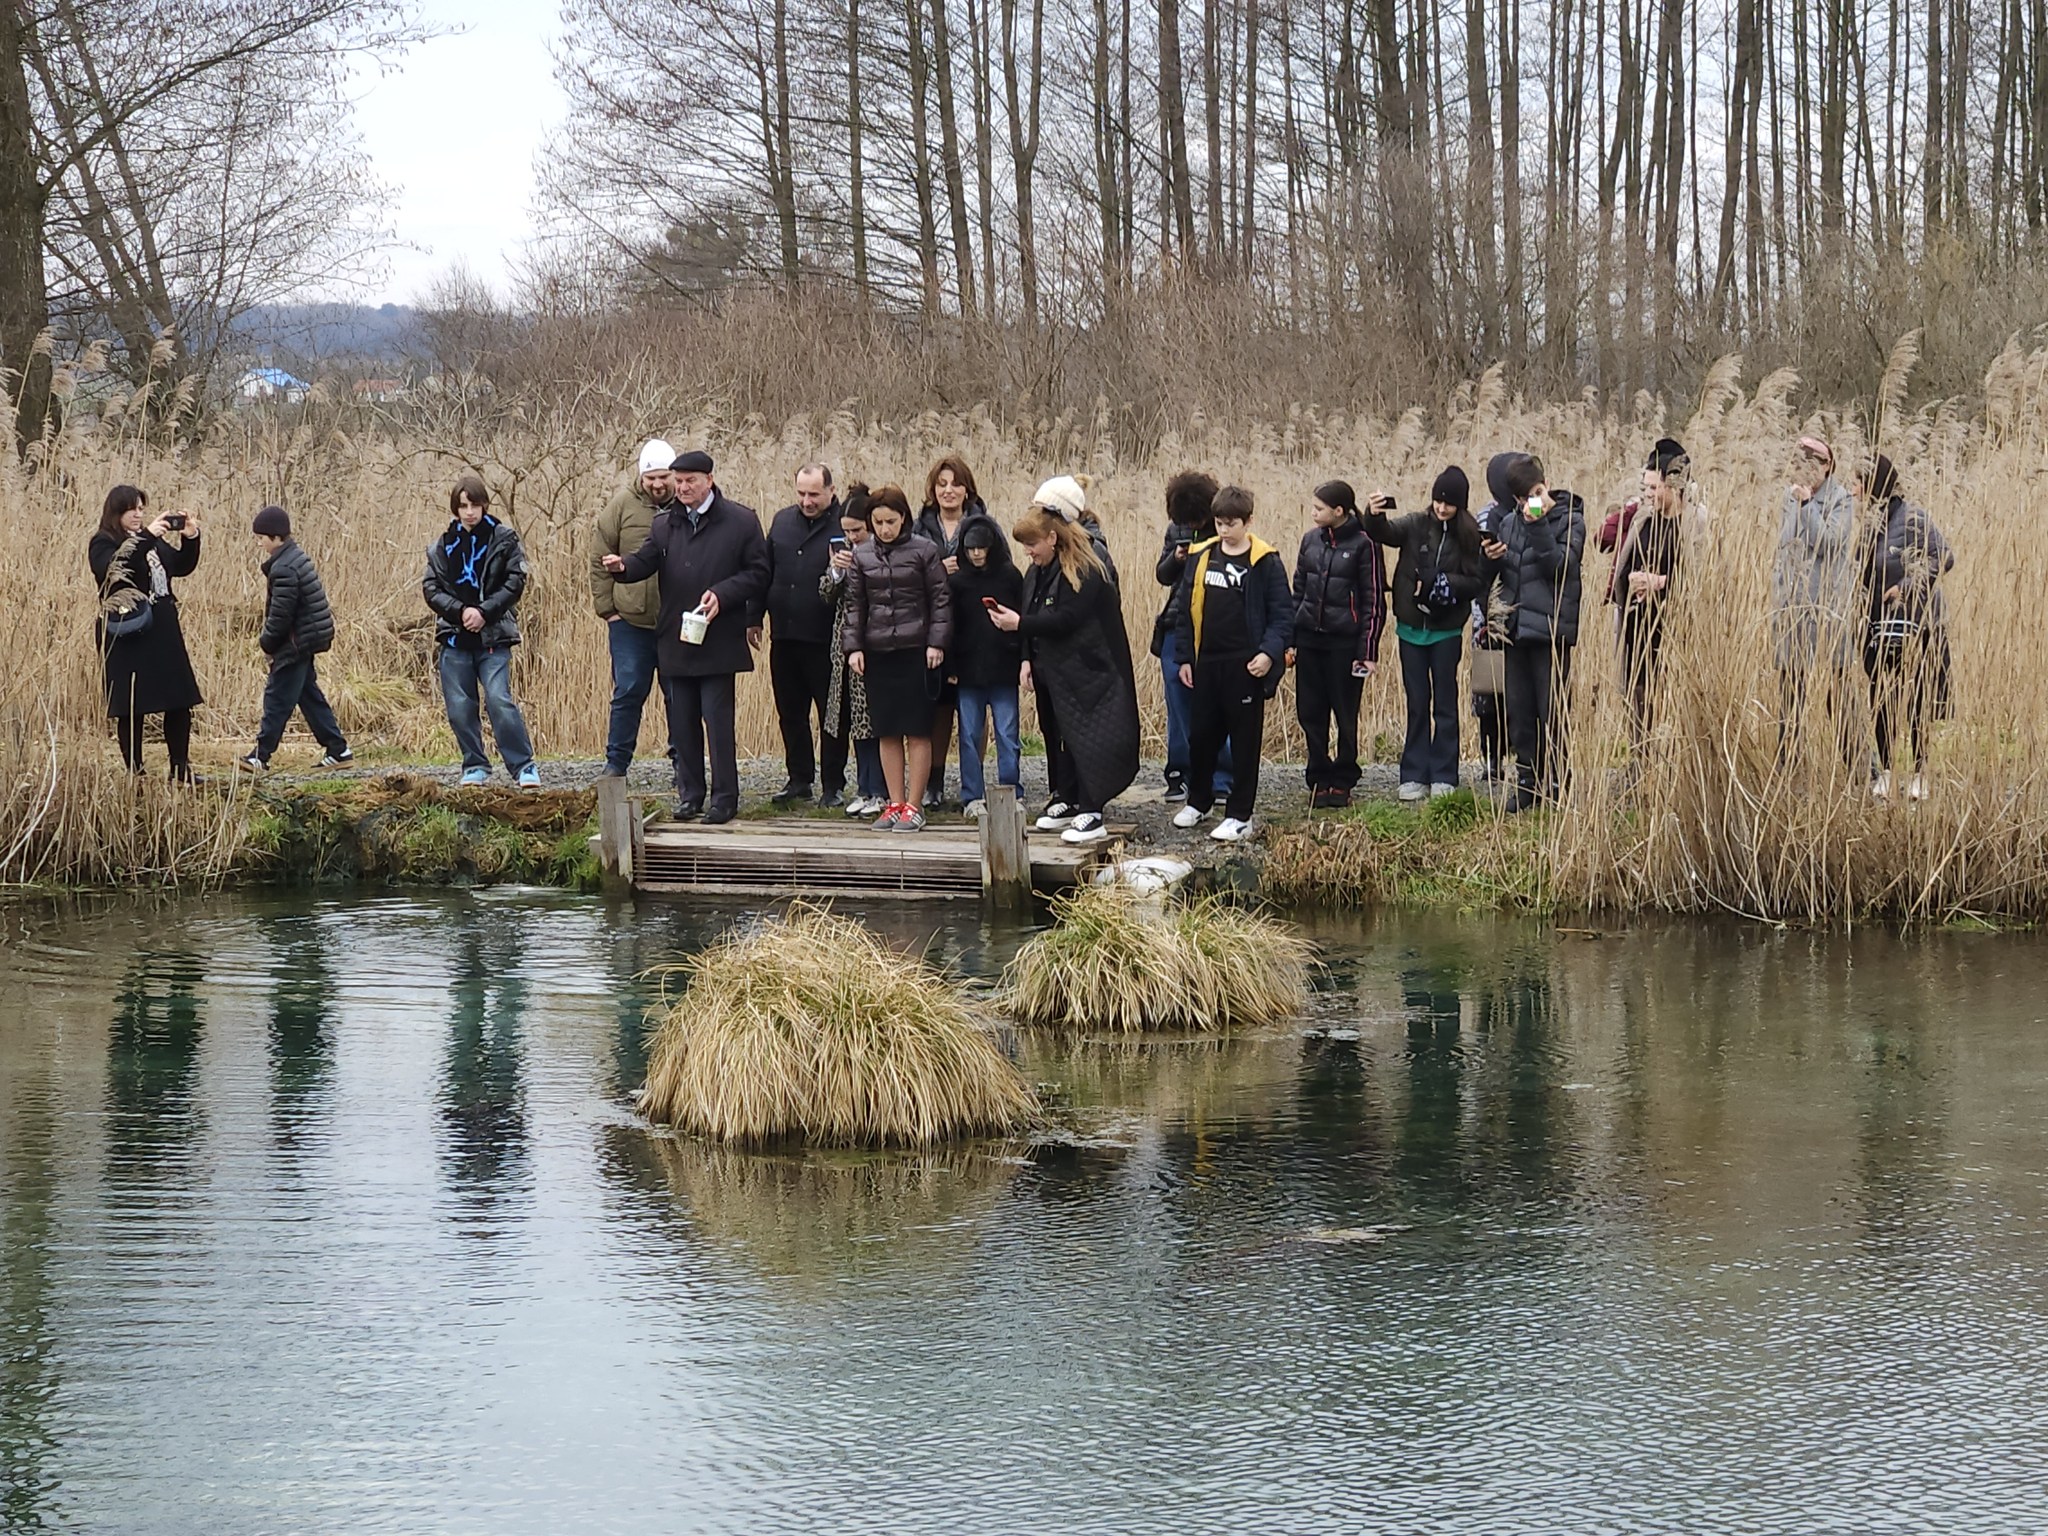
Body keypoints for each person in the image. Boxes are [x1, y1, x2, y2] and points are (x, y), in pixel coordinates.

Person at [603, 450, 770, 824]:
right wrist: (623, 566)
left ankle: (724, 798)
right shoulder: (665, 524)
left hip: (719, 639)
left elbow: (759, 573)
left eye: (689, 481)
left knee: (717, 719)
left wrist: (724, 594)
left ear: (709, 480)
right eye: (678, 482)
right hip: (677, 639)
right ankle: (690, 795)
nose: (682, 488)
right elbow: (647, 560)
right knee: (682, 721)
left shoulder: (741, 521)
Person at [988, 505, 1139, 844]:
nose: (1027, 552)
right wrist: (1025, 657)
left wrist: (1019, 624)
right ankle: (1068, 798)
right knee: (1059, 737)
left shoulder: (1086, 568)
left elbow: (1067, 619)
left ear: (1052, 538)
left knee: (1089, 739)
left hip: (1091, 672)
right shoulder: (1036, 572)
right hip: (1052, 673)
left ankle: (1092, 809)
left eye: (1032, 544)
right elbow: (1032, 613)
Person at [1168, 485, 1293, 841]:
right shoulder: (1202, 555)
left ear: (1248, 521)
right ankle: (1199, 801)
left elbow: (1283, 617)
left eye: (1231, 524)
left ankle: (1240, 814)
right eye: (1219, 523)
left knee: (1243, 742)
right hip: (1206, 662)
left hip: (1245, 665)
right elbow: (1184, 611)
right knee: (1202, 737)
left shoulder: (1265, 561)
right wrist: (1184, 658)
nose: (1224, 530)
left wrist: (1268, 654)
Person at [1368, 466, 1486, 800]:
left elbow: (1477, 581)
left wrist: (1441, 583)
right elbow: (1385, 532)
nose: (1441, 507)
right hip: (1410, 629)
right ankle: (1414, 773)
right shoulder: (1416, 524)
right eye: (1437, 500)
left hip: (1446, 631)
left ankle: (1446, 774)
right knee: (1417, 702)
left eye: (1448, 503)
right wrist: (1373, 515)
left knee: (1445, 704)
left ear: (1459, 505)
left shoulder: (1470, 534)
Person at [1478, 452, 1586, 812]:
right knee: (1520, 712)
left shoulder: (1570, 519)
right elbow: (1494, 579)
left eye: (1534, 494)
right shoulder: (1509, 523)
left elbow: (1560, 567)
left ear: (1545, 485)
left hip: (1551, 632)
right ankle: (1527, 781)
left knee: (1552, 710)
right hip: (1515, 630)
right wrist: (1488, 558)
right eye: (1523, 499)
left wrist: (1538, 524)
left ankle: (1558, 781)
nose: (1529, 503)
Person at [842, 485, 952, 831]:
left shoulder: (924, 550)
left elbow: (940, 600)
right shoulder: (863, 555)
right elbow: (854, 605)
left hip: (916, 650)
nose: (885, 528)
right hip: (878, 652)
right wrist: (854, 647)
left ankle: (915, 805)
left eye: (890, 521)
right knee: (886, 731)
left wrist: (936, 642)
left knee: (918, 730)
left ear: (903, 518)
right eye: (878, 522)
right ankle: (894, 802)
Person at [423, 476, 540, 788]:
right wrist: (460, 612)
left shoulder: (503, 539)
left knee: (499, 700)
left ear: (484, 505)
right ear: (456, 508)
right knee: (460, 706)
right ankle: (474, 764)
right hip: (454, 637)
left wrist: (484, 611)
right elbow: (431, 588)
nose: (469, 512)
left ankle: (523, 766)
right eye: (463, 506)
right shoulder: (442, 545)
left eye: (474, 505)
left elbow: (515, 581)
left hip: (493, 637)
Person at [89, 484, 204, 780]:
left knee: (179, 699)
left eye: (142, 508)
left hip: (163, 626)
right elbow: (115, 566)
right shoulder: (103, 542)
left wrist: (190, 537)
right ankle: (135, 771)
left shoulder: (151, 540)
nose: (139, 514)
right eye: (132, 509)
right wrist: (148, 535)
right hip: (127, 629)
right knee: (132, 705)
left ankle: (180, 768)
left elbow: (180, 566)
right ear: (116, 511)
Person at [1856, 454, 1952, 802]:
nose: (1853, 491)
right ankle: (1886, 772)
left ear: (1875, 486)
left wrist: (1908, 586)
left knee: (1916, 699)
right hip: (1880, 626)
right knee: (1881, 698)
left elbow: (1943, 556)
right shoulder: (1871, 525)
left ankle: (1920, 773)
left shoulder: (1913, 517)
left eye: (1859, 484)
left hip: (1918, 624)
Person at [1292, 480, 1387, 808]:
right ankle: (1318, 775)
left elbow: (1373, 600)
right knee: (1310, 712)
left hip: (1344, 644)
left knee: (1345, 714)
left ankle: (1344, 777)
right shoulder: (1309, 541)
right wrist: (1291, 640)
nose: (1314, 513)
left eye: (1319, 508)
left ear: (1339, 511)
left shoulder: (1365, 544)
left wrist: (1368, 651)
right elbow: (1298, 591)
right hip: (1309, 639)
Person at [756, 462, 847, 805]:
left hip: (826, 638)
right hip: (785, 634)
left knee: (831, 715)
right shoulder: (781, 521)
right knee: (790, 712)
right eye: (801, 493)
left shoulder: (843, 525)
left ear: (830, 491)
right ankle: (799, 779)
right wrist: (755, 617)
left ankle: (832, 785)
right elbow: (765, 571)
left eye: (814, 494)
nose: (807, 501)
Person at [234, 505, 349, 774]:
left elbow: (280, 616)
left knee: (277, 698)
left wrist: (267, 643)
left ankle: (260, 757)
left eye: (261, 538)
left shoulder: (284, 568)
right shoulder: (294, 558)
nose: (259, 543)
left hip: (295, 643)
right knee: (308, 696)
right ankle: (338, 749)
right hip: (306, 638)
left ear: (275, 537)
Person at [588, 439, 675, 778]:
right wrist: (608, 610)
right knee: (628, 691)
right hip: (629, 621)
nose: (657, 484)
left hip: (674, 622)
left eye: (663, 477)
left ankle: (684, 764)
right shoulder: (621, 506)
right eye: (650, 477)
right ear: (641, 476)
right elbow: (599, 557)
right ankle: (616, 763)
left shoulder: (684, 506)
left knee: (678, 696)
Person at [912, 456, 993, 809]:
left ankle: (973, 783)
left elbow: (999, 569)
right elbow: (905, 573)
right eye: (942, 484)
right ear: (933, 489)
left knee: (975, 707)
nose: (948, 490)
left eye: (955, 484)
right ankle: (934, 782)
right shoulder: (918, 528)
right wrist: (936, 572)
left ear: (967, 489)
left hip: (973, 627)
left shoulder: (984, 525)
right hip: (932, 628)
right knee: (938, 706)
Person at [1771, 434, 1859, 758]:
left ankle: (1860, 766)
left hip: (1827, 607)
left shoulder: (1842, 499)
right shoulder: (1788, 496)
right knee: (1791, 689)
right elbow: (1785, 542)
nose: (1804, 470)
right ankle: (1789, 765)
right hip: (1792, 605)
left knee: (1839, 689)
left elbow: (1828, 542)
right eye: (1799, 463)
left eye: (1811, 464)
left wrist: (1807, 506)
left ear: (1827, 466)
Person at [1152, 471, 1231, 802]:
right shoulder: (1176, 529)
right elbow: (1162, 574)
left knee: (1217, 705)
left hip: (1214, 627)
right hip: (1175, 622)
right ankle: (1180, 772)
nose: (1192, 525)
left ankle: (1223, 777)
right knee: (1178, 703)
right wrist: (1177, 557)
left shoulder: (1226, 530)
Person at [1611, 438, 1695, 747]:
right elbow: (1622, 559)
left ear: (1674, 485)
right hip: (1637, 625)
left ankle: (1670, 761)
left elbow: (1702, 579)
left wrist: (1659, 582)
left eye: (1653, 488)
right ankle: (1640, 757)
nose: (1648, 494)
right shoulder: (1643, 519)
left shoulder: (1694, 523)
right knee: (1638, 695)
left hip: (1673, 627)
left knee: (1667, 695)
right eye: (1645, 487)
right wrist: (1631, 580)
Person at [948, 518, 1025, 817]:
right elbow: (950, 627)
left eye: (982, 548)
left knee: (1008, 733)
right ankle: (972, 796)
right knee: (968, 734)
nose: (977, 554)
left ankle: (1012, 792)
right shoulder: (957, 582)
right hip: (968, 670)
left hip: (1003, 668)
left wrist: (1021, 660)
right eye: (971, 549)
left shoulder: (1010, 577)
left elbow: (1022, 622)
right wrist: (951, 666)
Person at [822, 488, 890, 817]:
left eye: (857, 531)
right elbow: (825, 593)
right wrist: (836, 571)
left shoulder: (881, 554)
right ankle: (864, 789)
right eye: (846, 531)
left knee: (873, 722)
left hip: (872, 649)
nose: (851, 537)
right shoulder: (844, 555)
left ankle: (880, 789)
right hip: (843, 653)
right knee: (853, 721)